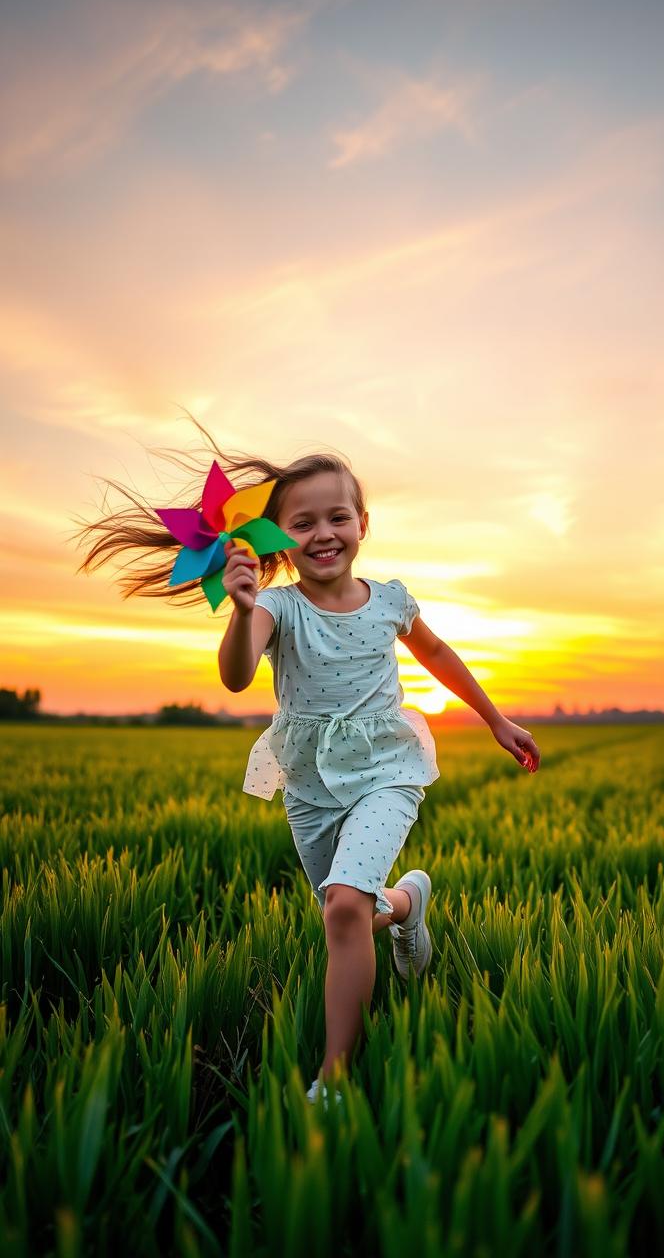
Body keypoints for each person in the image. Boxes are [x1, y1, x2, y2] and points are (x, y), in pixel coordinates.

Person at [73, 426, 540, 1111]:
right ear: (276, 537)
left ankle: (335, 1080)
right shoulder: (274, 607)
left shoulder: (390, 600)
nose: (323, 532)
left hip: (387, 767)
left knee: (345, 905)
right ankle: (408, 905)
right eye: (303, 521)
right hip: (312, 783)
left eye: (337, 516)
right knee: (342, 914)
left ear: (362, 524)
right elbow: (235, 677)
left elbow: (437, 654)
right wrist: (237, 611)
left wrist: (496, 718)